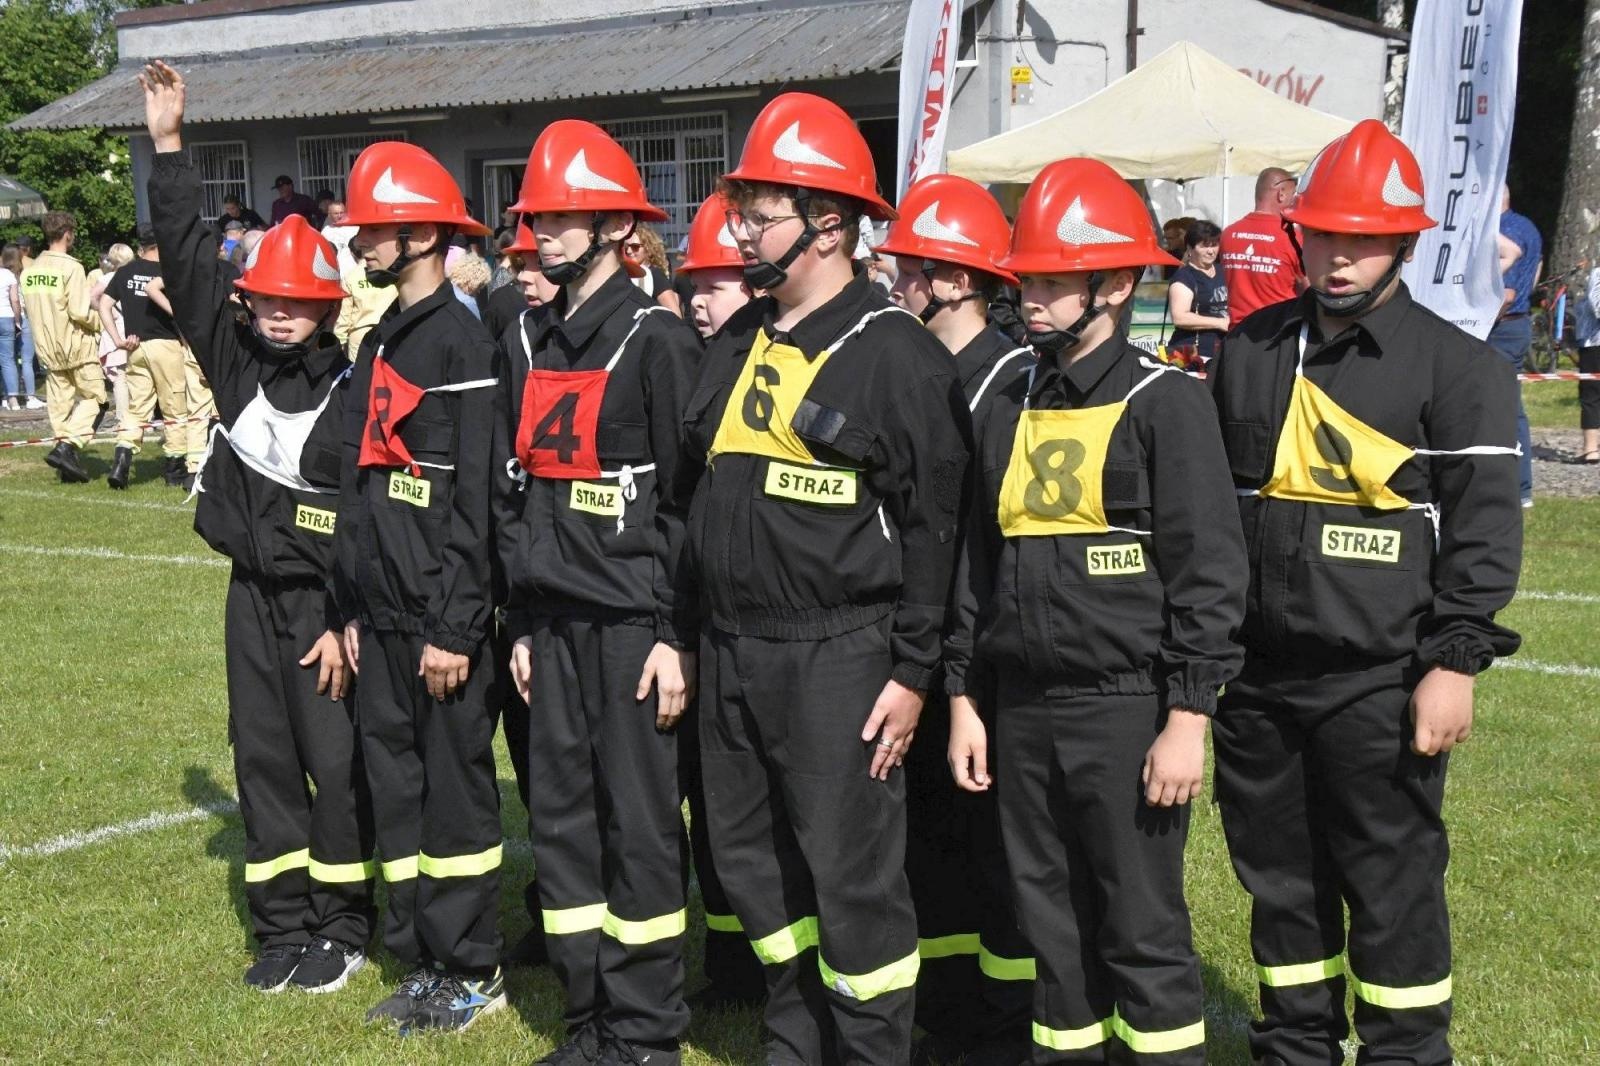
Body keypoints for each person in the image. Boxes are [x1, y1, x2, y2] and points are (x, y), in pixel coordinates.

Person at [1207, 119, 1522, 1066]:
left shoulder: (1459, 369)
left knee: (1391, 883)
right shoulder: (1249, 349)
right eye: (1324, 235)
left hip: (1382, 682)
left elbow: (1483, 530)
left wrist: (1455, 661)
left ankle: (1406, 1052)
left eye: (1363, 239)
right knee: (1279, 884)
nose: (1339, 257)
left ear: (1407, 242)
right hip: (1260, 683)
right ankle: (1296, 1047)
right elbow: (1212, 512)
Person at [680, 92, 970, 1065]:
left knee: (851, 881)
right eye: (743, 209)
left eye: (760, 213)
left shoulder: (896, 356)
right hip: (731, 651)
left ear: (830, 224)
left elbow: (938, 531)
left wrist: (912, 672)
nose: (739, 230)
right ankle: (793, 1044)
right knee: (756, 872)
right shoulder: (737, 341)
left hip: (839, 657)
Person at [943, 158, 1244, 1066]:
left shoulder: (1169, 403)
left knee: (1140, 926)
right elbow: (976, 561)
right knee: (1050, 929)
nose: (1027, 297)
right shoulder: (1006, 398)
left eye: (1048, 281)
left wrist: (1188, 718)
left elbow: (1207, 574)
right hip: (1023, 706)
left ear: (1115, 284)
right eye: (1023, 277)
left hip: (1127, 707)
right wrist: (964, 694)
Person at [140, 58, 376, 996]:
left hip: (323, 605)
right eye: (267, 301)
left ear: (327, 308)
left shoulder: (356, 388)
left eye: (299, 303)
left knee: (335, 760)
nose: (280, 315)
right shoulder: (235, 364)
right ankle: (281, 924)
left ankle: (345, 922)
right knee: (264, 759)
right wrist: (167, 146)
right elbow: (191, 259)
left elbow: (364, 522)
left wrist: (344, 616)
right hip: (251, 597)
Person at [499, 118, 702, 1066]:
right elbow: (528, 487)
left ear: (619, 225)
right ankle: (587, 1023)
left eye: (567, 215)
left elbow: (687, 502)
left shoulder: (658, 340)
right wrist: (529, 623)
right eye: (540, 214)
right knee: (566, 827)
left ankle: (646, 1035)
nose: (545, 232)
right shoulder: (529, 336)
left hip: (630, 627)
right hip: (556, 622)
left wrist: (675, 633)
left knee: (639, 830)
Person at [335, 139, 508, 1034]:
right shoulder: (381, 340)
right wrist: (357, 606)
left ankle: (474, 967)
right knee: (398, 790)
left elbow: (475, 501)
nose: (360, 242)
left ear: (422, 236)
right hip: (387, 615)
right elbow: (369, 485)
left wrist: (454, 625)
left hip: (443, 625)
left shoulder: (463, 340)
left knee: (455, 794)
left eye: (375, 228)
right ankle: (421, 953)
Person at [876, 172, 1035, 1066]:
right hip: (921, 654)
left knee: (994, 859)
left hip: (981, 666)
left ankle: (1003, 1032)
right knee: (929, 848)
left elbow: (995, 548)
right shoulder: (923, 373)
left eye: (910, 268)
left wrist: (966, 672)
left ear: (957, 280)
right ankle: (944, 1020)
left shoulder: (1006, 385)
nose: (896, 283)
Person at [655, 192, 766, 1014]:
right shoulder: (688, 359)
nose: (700, 298)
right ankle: (730, 966)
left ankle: (753, 967)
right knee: (713, 809)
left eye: (718, 283)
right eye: (693, 281)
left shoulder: (755, 362)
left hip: (760, 630)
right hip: (698, 623)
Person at [99, 223, 190, 489]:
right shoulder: (167, 272)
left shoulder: (125, 271)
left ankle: (122, 460)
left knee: (138, 408)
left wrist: (117, 340)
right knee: (174, 407)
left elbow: (103, 305)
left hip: (135, 346)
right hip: (166, 345)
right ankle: (174, 471)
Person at [20, 211, 105, 482]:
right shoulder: (71, 267)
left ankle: (66, 466)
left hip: (48, 349)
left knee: (60, 408)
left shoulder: (30, 270)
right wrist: (102, 322)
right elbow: (80, 311)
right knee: (97, 399)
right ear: (67, 233)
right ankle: (67, 447)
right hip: (76, 346)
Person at [1490, 185, 1540, 507]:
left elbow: (1505, 294)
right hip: (1518, 322)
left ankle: (1515, 486)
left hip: (1501, 324)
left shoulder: (1502, 233)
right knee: (1512, 408)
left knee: (1499, 409)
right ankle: (1520, 486)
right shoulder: (1528, 227)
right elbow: (1534, 275)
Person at [1221, 166, 1303, 323]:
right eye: (1293, 196)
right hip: (1277, 333)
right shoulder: (1292, 237)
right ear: (1281, 194)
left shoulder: (1229, 234)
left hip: (1237, 333)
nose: (1294, 203)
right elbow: (1310, 290)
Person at [1165, 219, 1230, 365]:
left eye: (1214, 245)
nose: (1211, 251)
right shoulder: (1184, 277)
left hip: (1222, 351)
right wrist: (1220, 323)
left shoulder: (1224, 271)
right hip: (1190, 354)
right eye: (1204, 246)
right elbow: (1179, 317)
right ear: (1190, 248)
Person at [91, 244, 136, 430]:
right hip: (135, 326)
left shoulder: (107, 278)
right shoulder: (135, 275)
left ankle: (123, 418)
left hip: (116, 327)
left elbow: (92, 296)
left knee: (120, 377)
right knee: (138, 374)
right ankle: (141, 415)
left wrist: (105, 310)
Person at [0, 244, 42, 409]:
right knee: (26, 360)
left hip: (7, 318)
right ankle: (30, 397)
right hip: (20, 317)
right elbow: (20, 300)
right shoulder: (24, 275)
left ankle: (7, 396)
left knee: (6, 360)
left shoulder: (4, 274)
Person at [622, 223, 683, 317]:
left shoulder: (654, 274)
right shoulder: (624, 273)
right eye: (626, 247)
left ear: (648, 248)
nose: (629, 251)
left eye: (635, 247)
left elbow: (675, 314)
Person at [1577, 256, 1600, 464]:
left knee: (1591, 394)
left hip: (1595, 343)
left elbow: (1598, 306)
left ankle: (1591, 449)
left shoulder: (1598, 273)